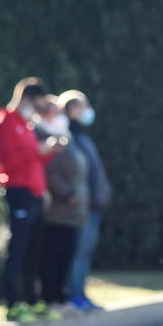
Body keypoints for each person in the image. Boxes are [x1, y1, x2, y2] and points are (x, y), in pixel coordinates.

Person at [0, 77, 63, 323]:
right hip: (18, 192)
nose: (39, 109)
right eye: (38, 103)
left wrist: (48, 152)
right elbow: (9, 160)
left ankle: (32, 301)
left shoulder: (27, 124)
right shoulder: (5, 121)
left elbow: (34, 160)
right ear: (26, 98)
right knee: (18, 249)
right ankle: (13, 304)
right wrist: (38, 150)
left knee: (34, 250)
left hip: (35, 193)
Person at [58, 89, 111, 311]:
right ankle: (73, 294)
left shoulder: (83, 138)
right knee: (77, 252)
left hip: (93, 205)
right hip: (80, 206)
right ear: (70, 110)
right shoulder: (67, 138)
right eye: (81, 106)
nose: (87, 110)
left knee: (85, 251)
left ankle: (81, 294)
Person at [38, 97, 88, 311]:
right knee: (54, 256)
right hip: (58, 210)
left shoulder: (67, 137)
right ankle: (51, 298)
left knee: (66, 255)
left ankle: (61, 296)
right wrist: (67, 194)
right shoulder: (46, 135)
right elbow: (50, 171)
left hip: (73, 211)